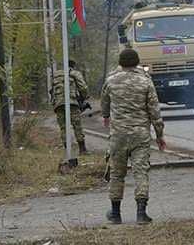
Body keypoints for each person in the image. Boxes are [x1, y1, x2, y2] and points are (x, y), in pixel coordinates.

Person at [101, 47, 165, 224]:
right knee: (141, 172)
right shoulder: (145, 82)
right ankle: (141, 213)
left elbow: (104, 103)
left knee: (116, 173)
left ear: (120, 63)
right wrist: (159, 135)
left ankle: (115, 214)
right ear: (137, 62)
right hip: (140, 135)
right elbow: (154, 111)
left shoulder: (111, 81)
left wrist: (106, 116)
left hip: (118, 135)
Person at [51, 59, 89, 154]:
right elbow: (83, 87)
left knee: (63, 127)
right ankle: (82, 149)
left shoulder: (55, 75)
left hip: (59, 104)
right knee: (77, 125)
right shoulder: (74, 73)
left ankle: (68, 151)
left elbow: (51, 90)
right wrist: (84, 97)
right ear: (73, 66)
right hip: (71, 102)